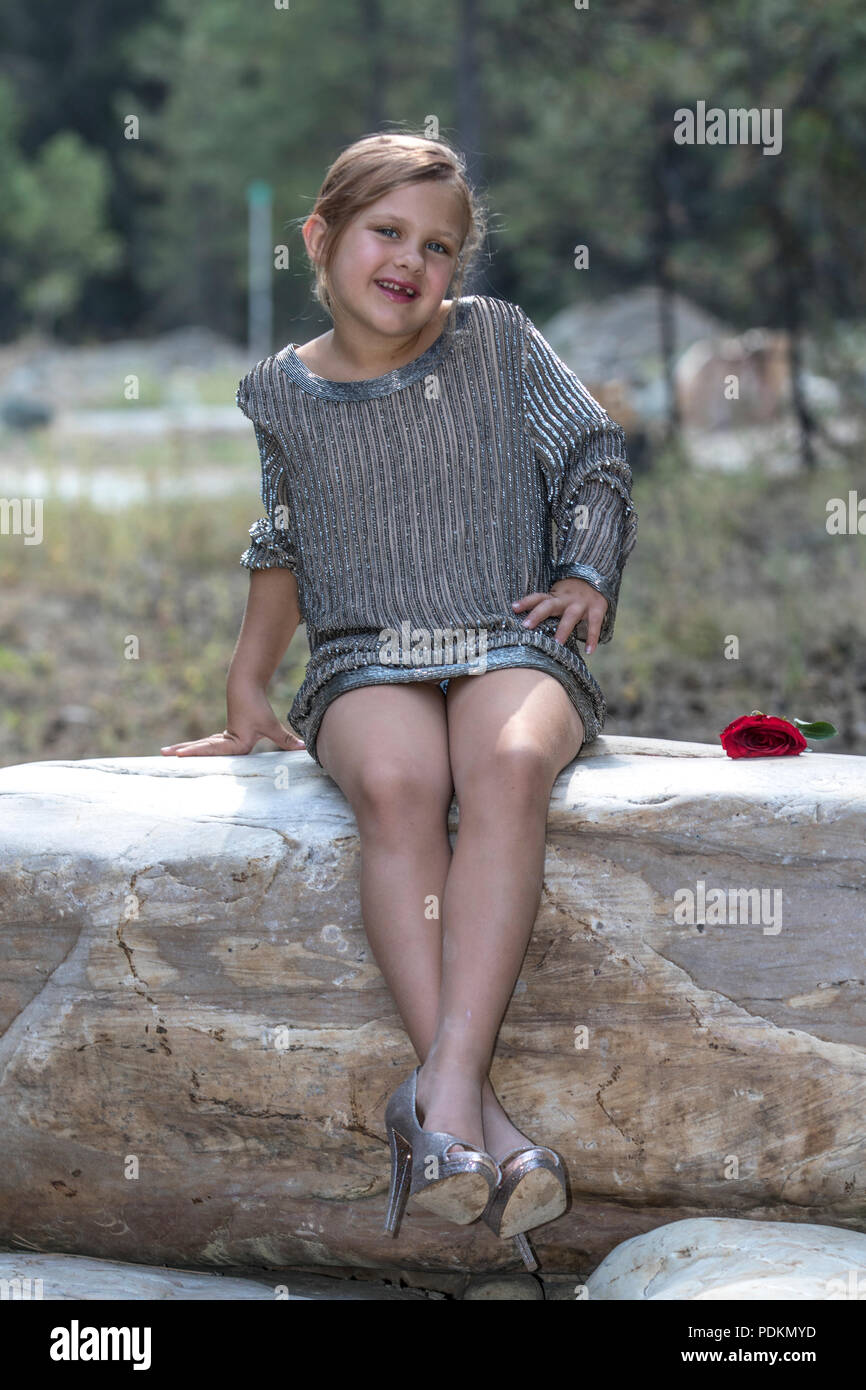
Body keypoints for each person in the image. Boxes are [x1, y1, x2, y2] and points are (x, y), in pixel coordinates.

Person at [161, 130, 638, 1272]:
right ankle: (483, 1124)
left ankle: (438, 1108)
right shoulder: (281, 390)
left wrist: (583, 572)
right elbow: (282, 539)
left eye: (438, 247)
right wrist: (246, 685)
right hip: (365, 650)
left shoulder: (497, 343)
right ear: (321, 238)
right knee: (395, 780)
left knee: (509, 763)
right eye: (387, 232)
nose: (411, 263)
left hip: (505, 633)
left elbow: (594, 456)